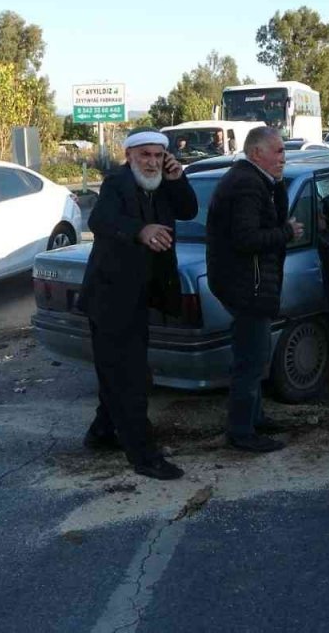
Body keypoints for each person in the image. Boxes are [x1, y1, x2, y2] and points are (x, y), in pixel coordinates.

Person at [77, 128, 198, 480]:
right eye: (144, 155)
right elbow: (100, 219)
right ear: (129, 156)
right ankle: (144, 455)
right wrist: (140, 231)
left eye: (158, 155)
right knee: (130, 378)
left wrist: (178, 179)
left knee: (119, 372)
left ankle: (101, 434)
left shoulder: (162, 181)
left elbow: (188, 209)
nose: (151, 161)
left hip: (140, 296)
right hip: (110, 297)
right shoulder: (116, 182)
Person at [206, 126, 304, 453]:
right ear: (255, 153)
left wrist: (276, 187)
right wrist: (286, 232)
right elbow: (246, 239)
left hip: (246, 282)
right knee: (251, 360)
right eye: (277, 152)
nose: (283, 158)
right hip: (248, 285)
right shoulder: (247, 184)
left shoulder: (255, 180)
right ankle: (241, 432)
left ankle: (254, 417)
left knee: (254, 355)